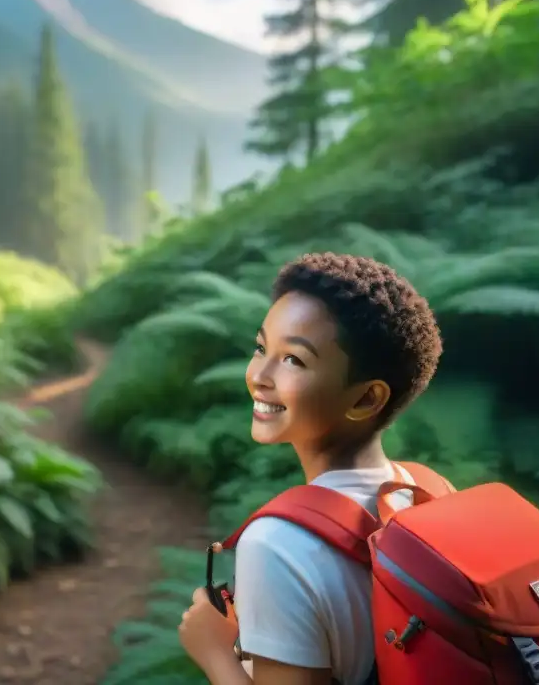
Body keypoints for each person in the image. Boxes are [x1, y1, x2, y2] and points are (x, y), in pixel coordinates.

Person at [178, 252, 444, 685]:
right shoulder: (425, 490)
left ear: (366, 399)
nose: (258, 375)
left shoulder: (278, 546)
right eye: (262, 348)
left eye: (293, 361)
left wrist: (213, 653)